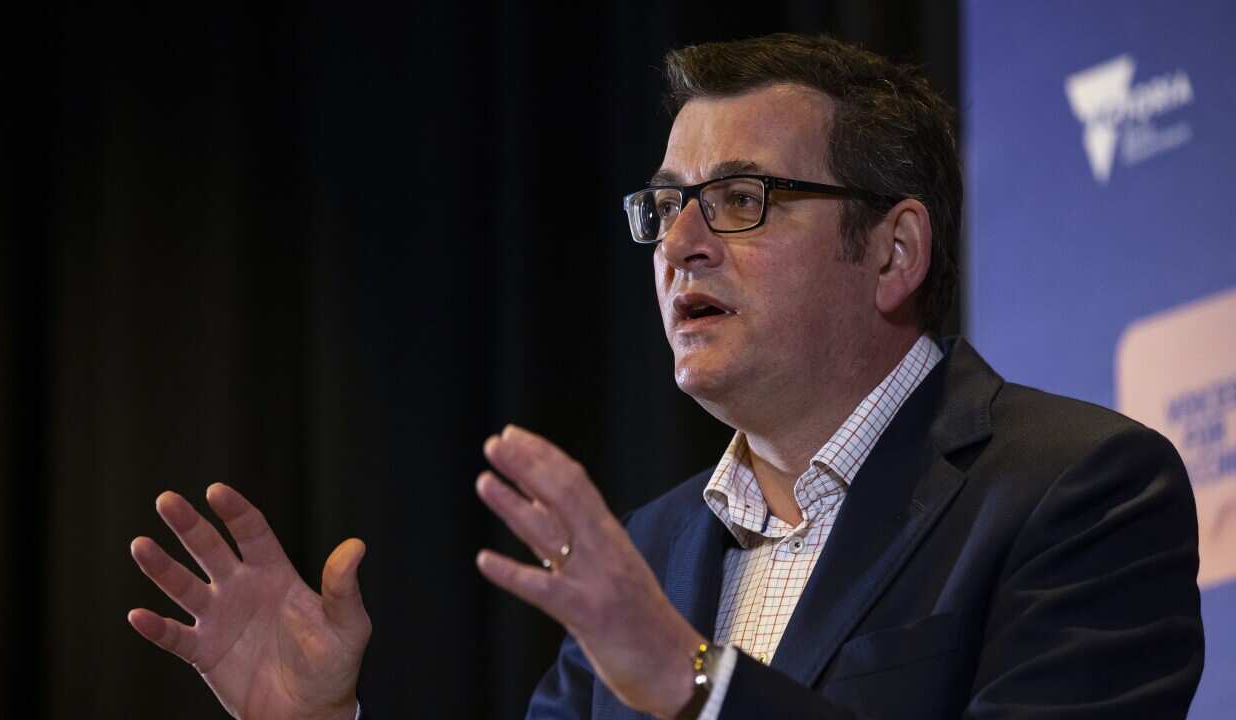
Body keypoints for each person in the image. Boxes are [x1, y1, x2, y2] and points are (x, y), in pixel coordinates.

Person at [127, 34, 1204, 719]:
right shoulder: (647, 553)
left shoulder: (1080, 489)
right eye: (663, 206)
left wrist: (697, 686)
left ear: (892, 251)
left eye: (737, 198)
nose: (678, 243)